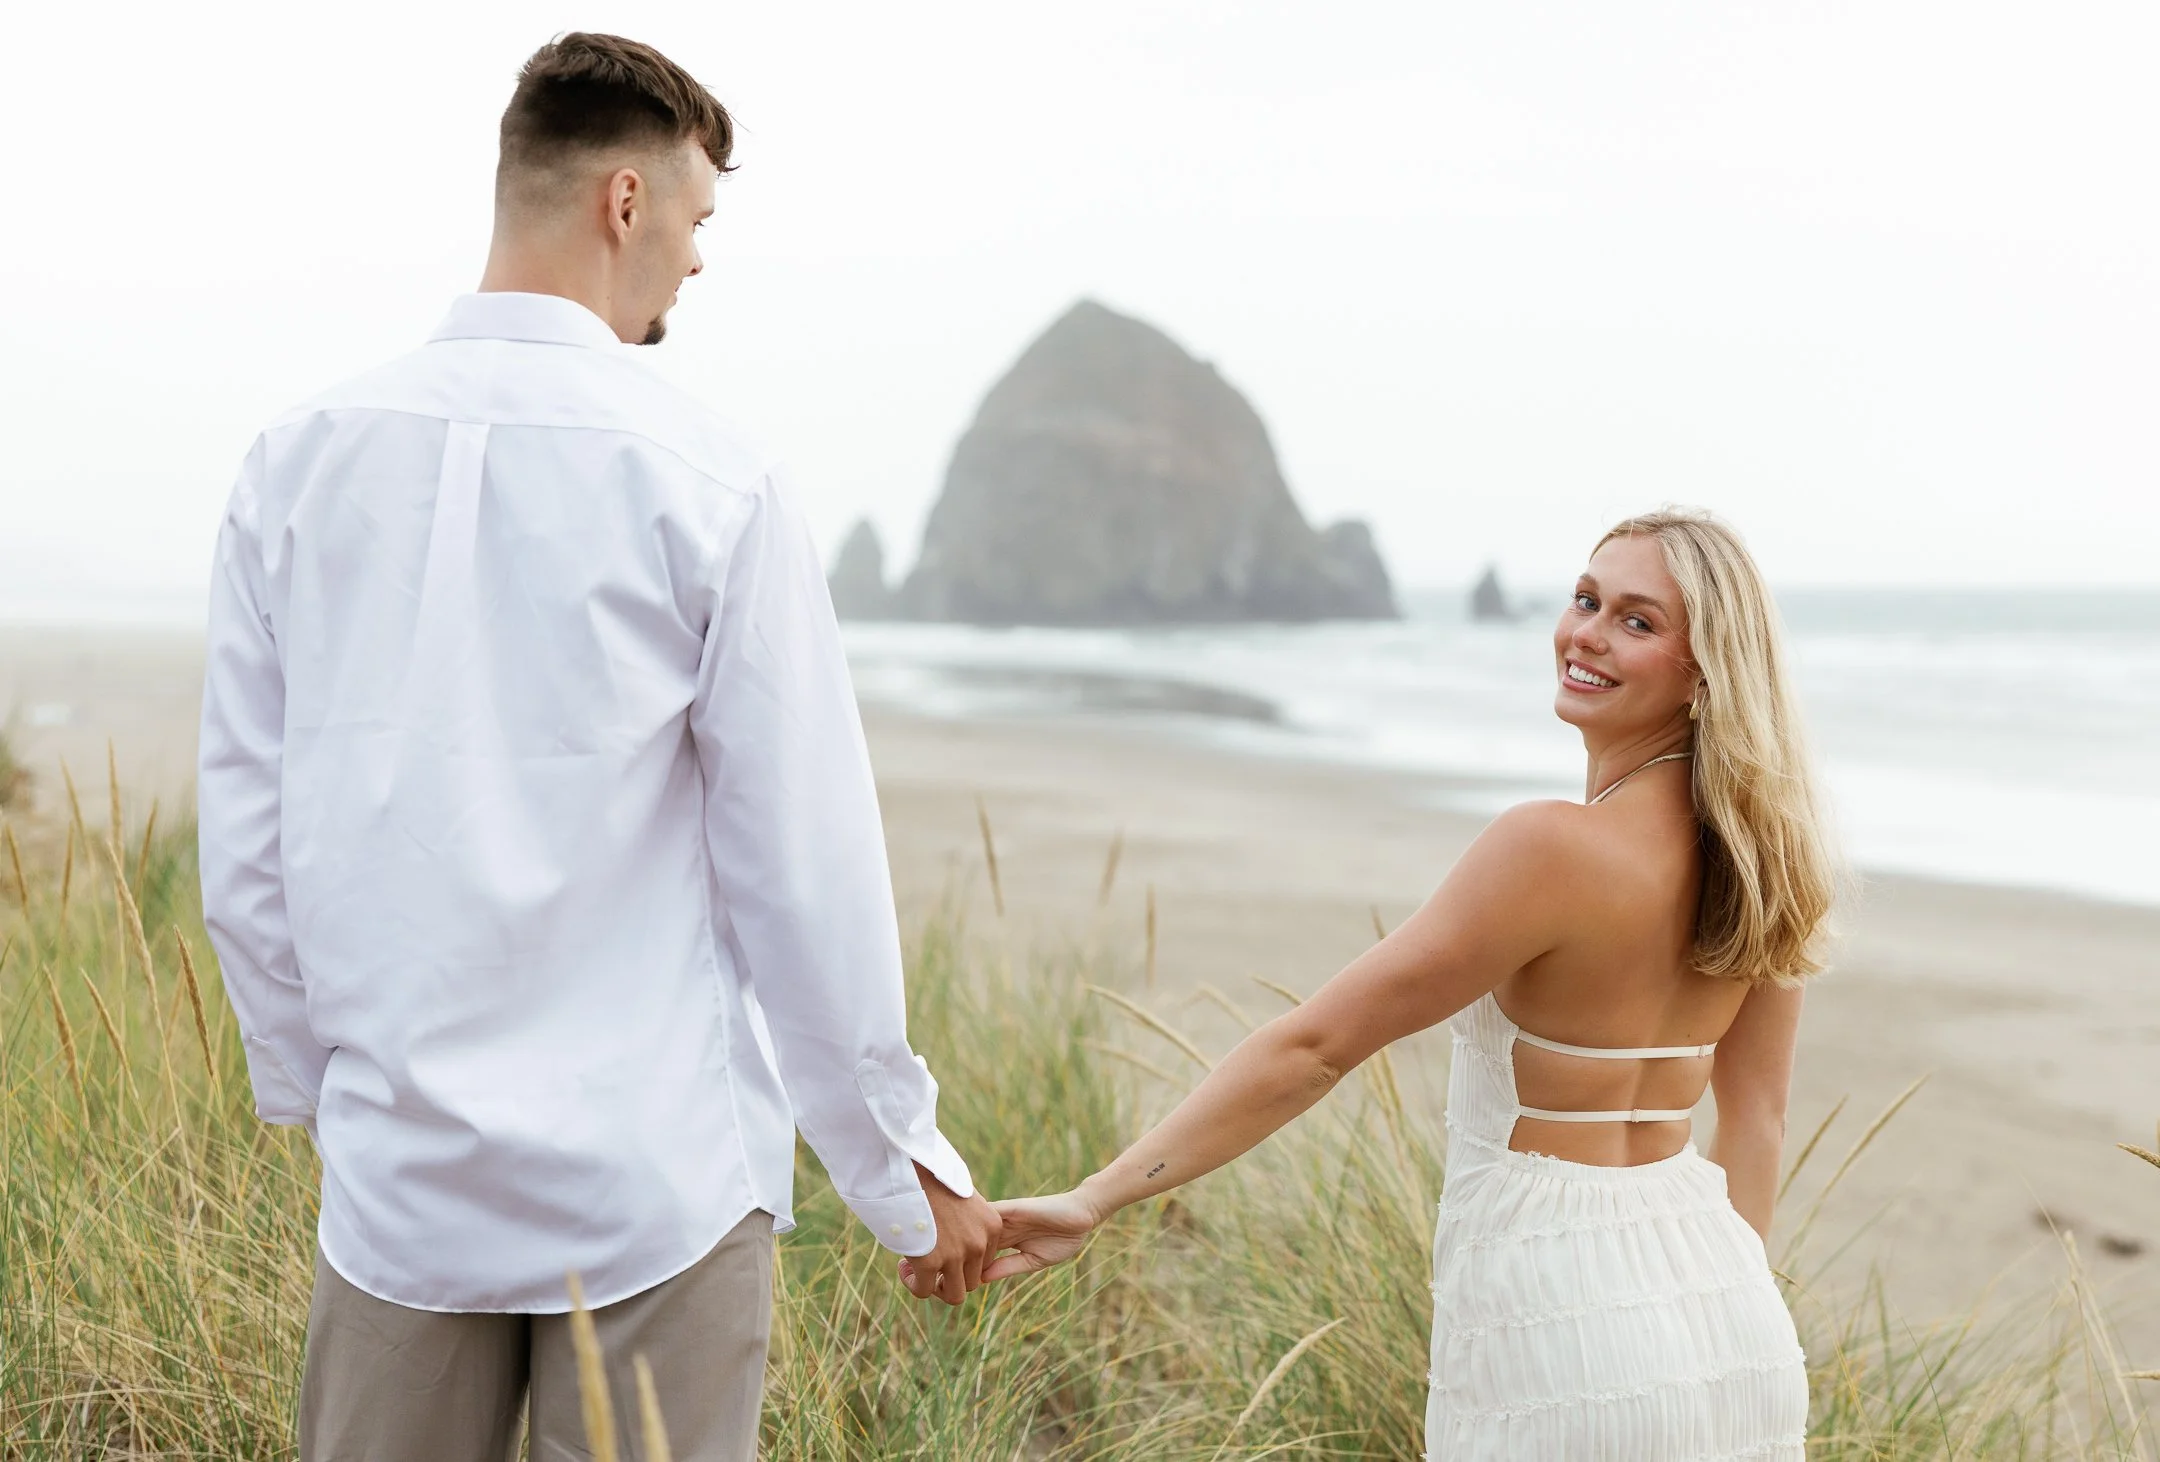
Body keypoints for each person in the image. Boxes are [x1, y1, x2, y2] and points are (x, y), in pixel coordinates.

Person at [196, 33, 998, 1462]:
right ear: (624, 202)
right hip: (656, 1187)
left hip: (400, 1186)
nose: (696, 264)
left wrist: (334, 1095)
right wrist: (899, 1167)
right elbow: (802, 872)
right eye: (695, 222)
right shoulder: (712, 480)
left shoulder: (295, 462)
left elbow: (245, 847)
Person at [979, 509, 1837, 1459]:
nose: (1587, 633)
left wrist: (1095, 1198)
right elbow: (1757, 1119)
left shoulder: (1550, 848)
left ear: (1706, 670)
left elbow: (1313, 1049)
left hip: (1557, 1315)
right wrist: (1723, 1301)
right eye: (1586, 600)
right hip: (1729, 1314)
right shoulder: (1770, 860)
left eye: (1638, 621)